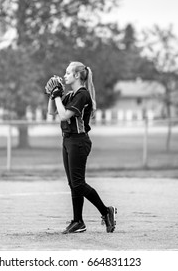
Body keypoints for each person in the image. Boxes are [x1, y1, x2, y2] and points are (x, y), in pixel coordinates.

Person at [47, 61, 117, 234]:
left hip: (78, 141)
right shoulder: (71, 95)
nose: (64, 76)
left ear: (77, 75)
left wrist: (57, 97)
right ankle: (78, 222)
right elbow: (52, 112)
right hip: (68, 141)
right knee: (73, 184)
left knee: (78, 183)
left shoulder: (83, 95)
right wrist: (53, 95)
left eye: (68, 73)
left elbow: (64, 115)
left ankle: (106, 211)